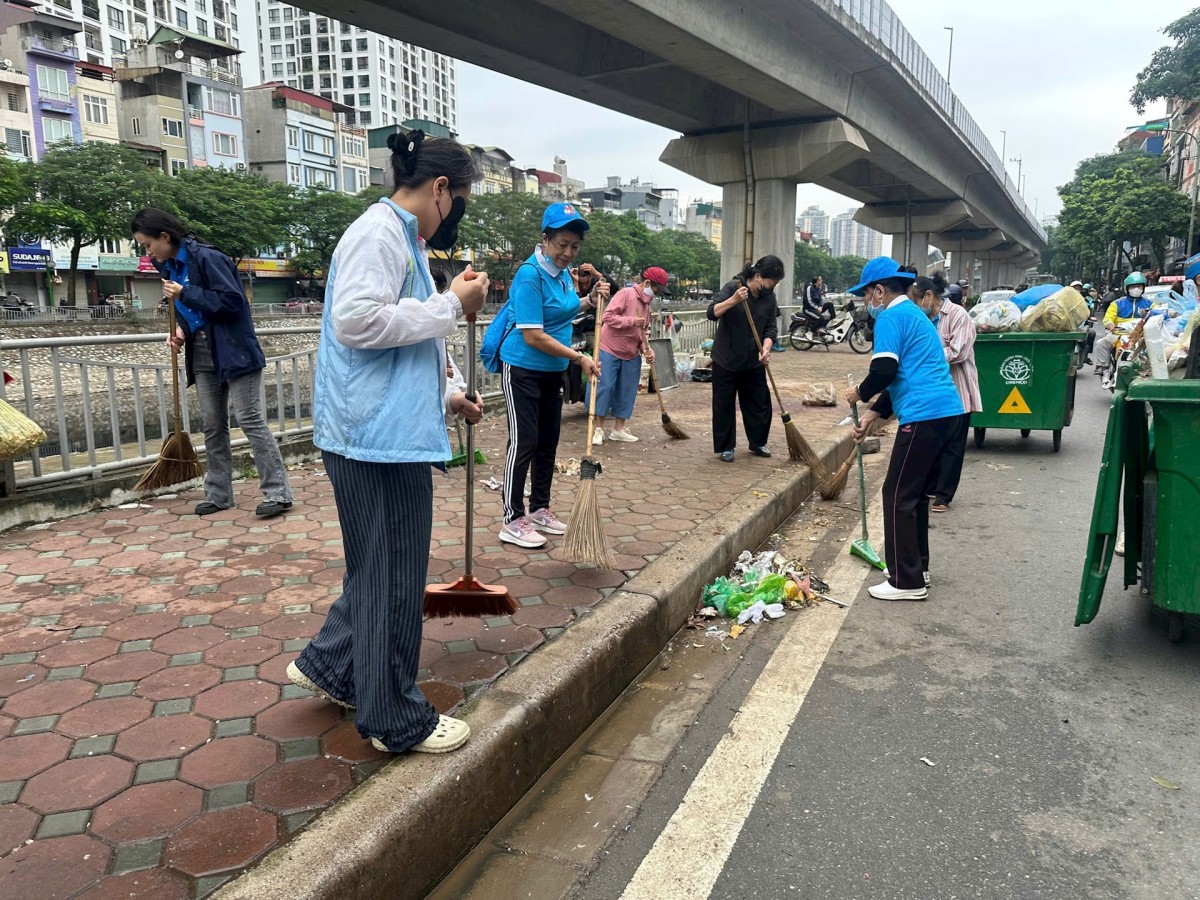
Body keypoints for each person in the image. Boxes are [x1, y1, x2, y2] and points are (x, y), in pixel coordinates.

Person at [289, 130, 490, 756]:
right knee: (393, 579)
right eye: (456, 199)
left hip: (382, 431)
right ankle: (393, 718)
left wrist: (447, 395)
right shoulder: (378, 235)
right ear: (438, 189)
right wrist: (452, 306)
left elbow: (398, 346)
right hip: (373, 439)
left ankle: (332, 666)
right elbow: (357, 321)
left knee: (377, 569)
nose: (453, 212)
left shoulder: (400, 239)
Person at [131, 208, 294, 519]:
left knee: (250, 420)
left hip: (234, 351)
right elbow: (192, 313)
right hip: (202, 353)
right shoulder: (165, 265)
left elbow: (232, 303)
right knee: (212, 425)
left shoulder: (207, 258)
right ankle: (219, 495)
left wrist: (186, 292)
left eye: (148, 244)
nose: (147, 252)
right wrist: (181, 330)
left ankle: (278, 493)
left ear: (164, 237)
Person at [843, 257, 964, 602]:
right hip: (946, 414)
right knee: (915, 497)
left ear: (879, 291)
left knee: (896, 495)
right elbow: (905, 376)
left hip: (924, 416)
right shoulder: (914, 315)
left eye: (867, 295)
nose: (867, 303)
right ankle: (917, 568)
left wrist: (859, 393)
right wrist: (872, 415)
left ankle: (905, 582)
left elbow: (884, 371)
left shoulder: (892, 317)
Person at [497, 202, 604, 549]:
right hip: (523, 369)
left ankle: (540, 507)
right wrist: (579, 357)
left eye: (574, 246)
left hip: (552, 372)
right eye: (561, 245)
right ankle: (512, 518)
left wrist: (590, 300)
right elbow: (533, 334)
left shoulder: (561, 277)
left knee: (547, 443)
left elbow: (564, 313)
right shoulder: (530, 275)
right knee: (524, 441)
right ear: (545, 239)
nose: (568, 253)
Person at [912, 272, 981, 513]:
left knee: (953, 445)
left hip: (957, 391)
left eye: (916, 300)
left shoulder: (957, 315)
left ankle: (944, 495)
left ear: (929, 296)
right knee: (933, 442)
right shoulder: (924, 319)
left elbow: (958, 352)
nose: (915, 306)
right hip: (933, 392)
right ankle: (931, 486)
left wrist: (925, 357)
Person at [707, 255, 783, 463]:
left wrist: (766, 348)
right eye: (771, 282)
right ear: (758, 276)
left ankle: (758, 442)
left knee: (759, 403)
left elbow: (771, 327)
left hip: (753, 359)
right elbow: (711, 313)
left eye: (775, 284)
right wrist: (733, 301)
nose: (772, 287)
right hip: (726, 358)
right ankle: (726, 447)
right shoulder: (734, 287)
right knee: (724, 405)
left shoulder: (769, 298)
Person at [590, 267, 666, 444]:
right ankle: (599, 429)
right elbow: (607, 317)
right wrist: (631, 321)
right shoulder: (626, 294)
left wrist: (647, 349)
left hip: (631, 351)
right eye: (656, 289)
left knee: (627, 390)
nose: (656, 294)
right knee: (605, 386)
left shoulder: (647, 306)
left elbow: (644, 332)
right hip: (610, 347)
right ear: (647, 283)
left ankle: (618, 429)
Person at [1092, 272, 1152, 379]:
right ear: (1127, 288)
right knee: (1101, 343)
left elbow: (1157, 314)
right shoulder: (1117, 303)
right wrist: (1109, 323)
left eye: (1139, 286)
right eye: (1133, 286)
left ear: (1143, 288)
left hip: (1142, 335)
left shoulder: (1149, 304)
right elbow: (1108, 317)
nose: (1136, 289)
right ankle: (1104, 368)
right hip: (1119, 334)